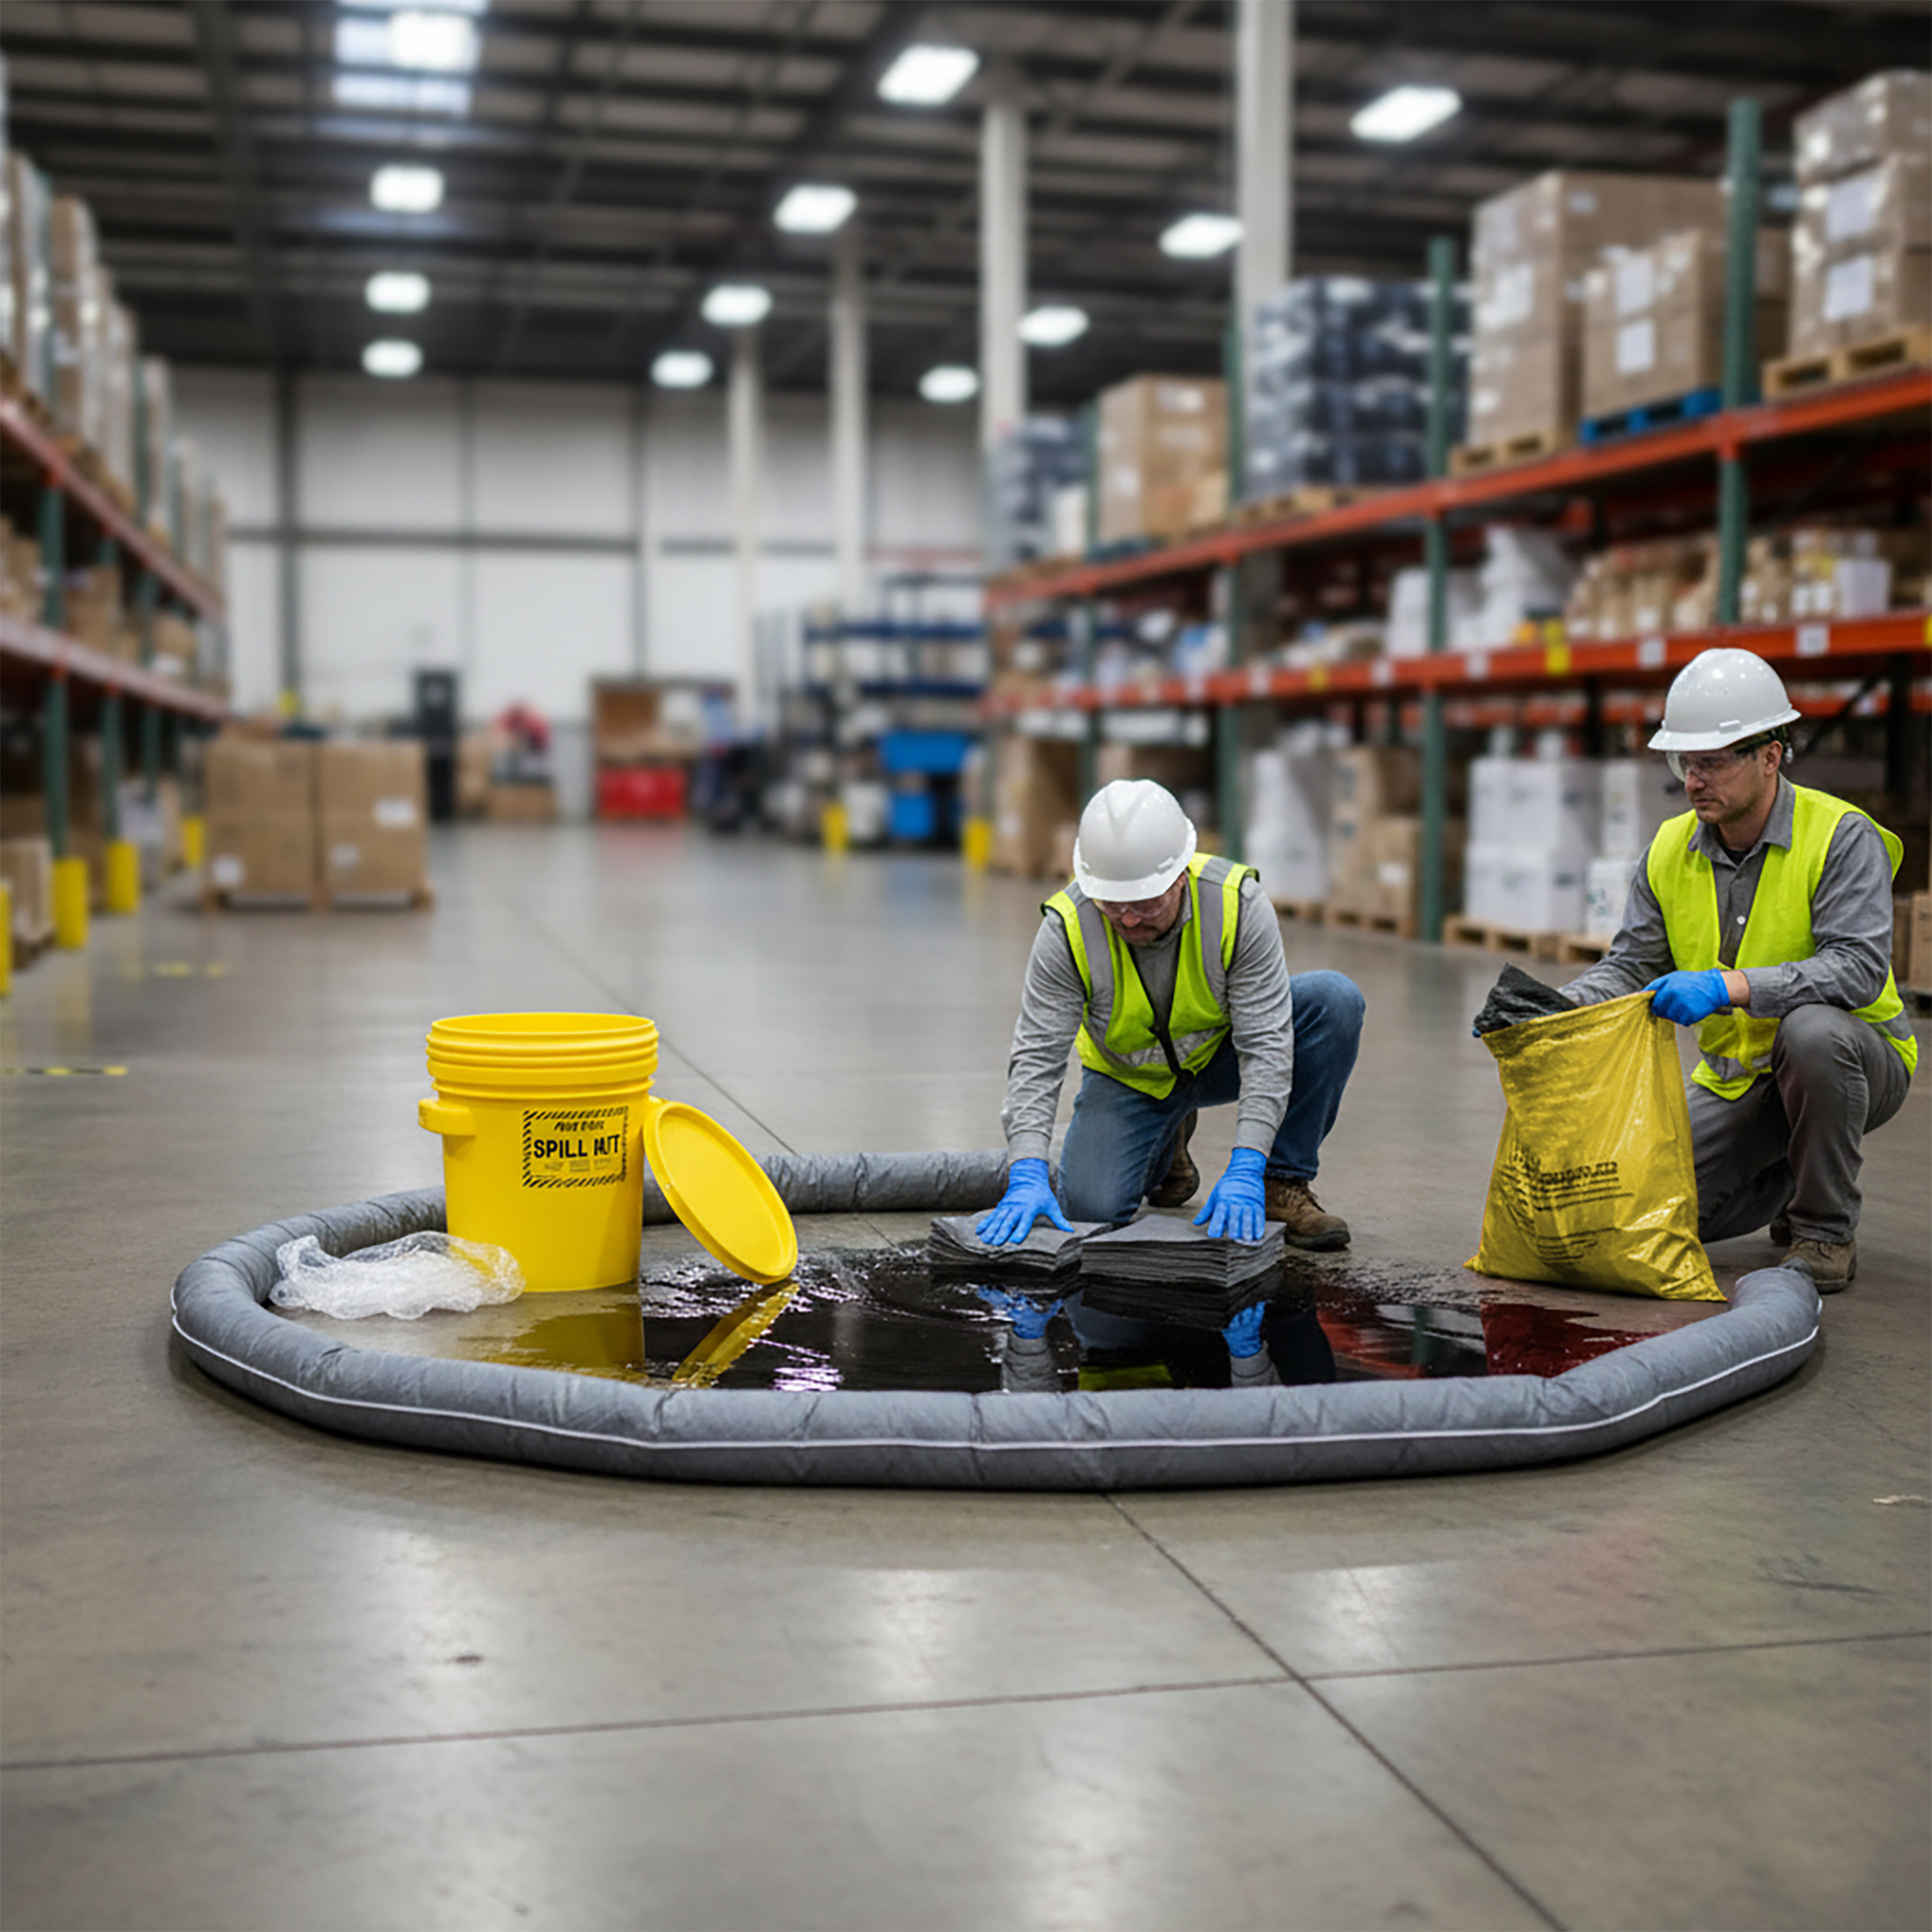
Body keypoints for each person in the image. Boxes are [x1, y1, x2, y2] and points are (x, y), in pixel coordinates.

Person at [1561, 646, 1915, 1290]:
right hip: (1735, 1078)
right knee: (1639, 1209)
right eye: (1684, 762)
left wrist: (1732, 987)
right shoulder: (1669, 849)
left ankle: (1824, 1230)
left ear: (1771, 756)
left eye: (1712, 762)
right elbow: (1630, 964)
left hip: (1854, 1059)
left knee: (1812, 1033)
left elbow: (1858, 970)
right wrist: (1556, 1008)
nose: (1693, 780)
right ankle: (1787, 1176)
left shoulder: (1841, 836)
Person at [977, 778, 1366, 1250]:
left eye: (1144, 902)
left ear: (1181, 875)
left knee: (1334, 1000)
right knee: (1089, 1210)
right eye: (1113, 905)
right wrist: (1027, 1171)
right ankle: (1168, 1143)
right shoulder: (1067, 927)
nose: (1129, 920)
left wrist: (1247, 1163)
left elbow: (1266, 1044)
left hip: (1216, 1056)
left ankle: (1280, 1182)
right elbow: (1037, 1058)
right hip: (1130, 1079)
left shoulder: (1235, 905)